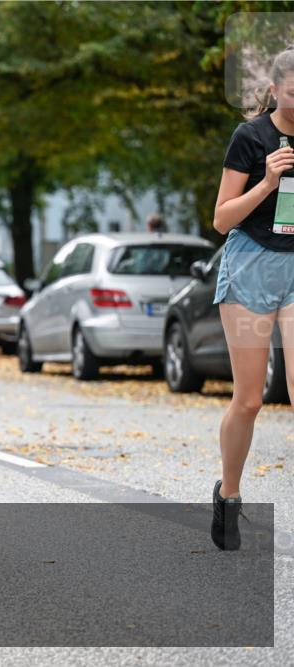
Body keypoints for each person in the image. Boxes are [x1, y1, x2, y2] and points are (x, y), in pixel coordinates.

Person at [211, 48, 294, 551]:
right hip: (251, 265)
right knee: (250, 399)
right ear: (274, 91)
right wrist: (268, 180)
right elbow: (222, 219)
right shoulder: (252, 137)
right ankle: (230, 494)